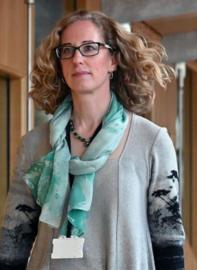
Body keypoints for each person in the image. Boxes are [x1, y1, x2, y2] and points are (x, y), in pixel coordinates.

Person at [0, 10, 185, 270]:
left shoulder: (151, 141)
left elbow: (169, 243)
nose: (77, 58)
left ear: (113, 60)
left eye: (90, 48)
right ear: (59, 63)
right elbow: (13, 242)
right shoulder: (34, 145)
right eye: (68, 50)